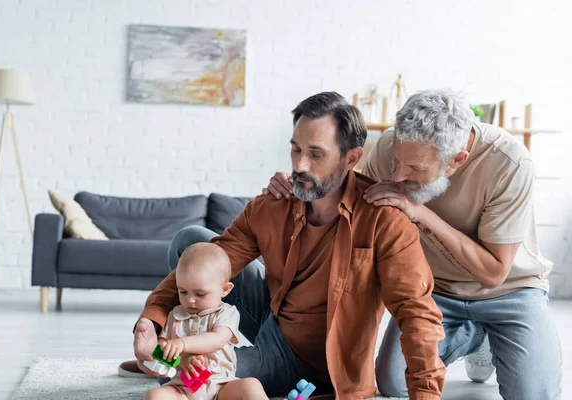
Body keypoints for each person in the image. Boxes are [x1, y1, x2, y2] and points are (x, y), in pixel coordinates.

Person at [123, 91, 446, 400]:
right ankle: (163, 356)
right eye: (296, 150)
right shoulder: (275, 203)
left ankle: (165, 364)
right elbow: (221, 254)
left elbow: (415, 311)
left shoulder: (384, 219)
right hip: (273, 319)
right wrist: (150, 322)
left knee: (195, 379)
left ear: (352, 158)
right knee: (192, 243)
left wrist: (426, 393)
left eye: (316, 154)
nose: (300, 166)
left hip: (322, 360)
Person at [264, 89, 563, 400]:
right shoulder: (390, 147)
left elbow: (494, 273)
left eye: (415, 169)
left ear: (456, 160)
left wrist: (420, 213)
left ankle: (490, 338)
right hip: (436, 291)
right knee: (394, 382)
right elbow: (348, 206)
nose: (397, 175)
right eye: (396, 159)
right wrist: (297, 186)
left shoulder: (509, 163)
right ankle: (474, 340)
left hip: (510, 290)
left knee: (535, 395)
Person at [143, 242, 267, 400]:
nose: (190, 300)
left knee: (251, 385)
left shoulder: (227, 313)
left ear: (225, 289)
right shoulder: (174, 315)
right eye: (183, 292)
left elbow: (217, 339)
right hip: (183, 389)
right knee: (154, 395)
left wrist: (183, 344)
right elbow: (160, 351)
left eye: (200, 294)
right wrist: (181, 361)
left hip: (221, 386)